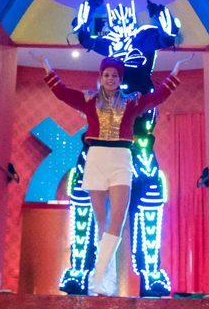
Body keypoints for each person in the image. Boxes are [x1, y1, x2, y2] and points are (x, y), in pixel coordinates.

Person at [42, 54, 183, 296]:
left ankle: (99, 277)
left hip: (121, 159)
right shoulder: (89, 100)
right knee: (102, 223)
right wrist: (47, 68)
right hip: (95, 158)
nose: (110, 79)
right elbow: (62, 93)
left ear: (120, 79)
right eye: (106, 75)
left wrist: (175, 73)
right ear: (101, 77)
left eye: (115, 75)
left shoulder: (132, 102)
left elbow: (157, 97)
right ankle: (104, 281)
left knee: (116, 222)